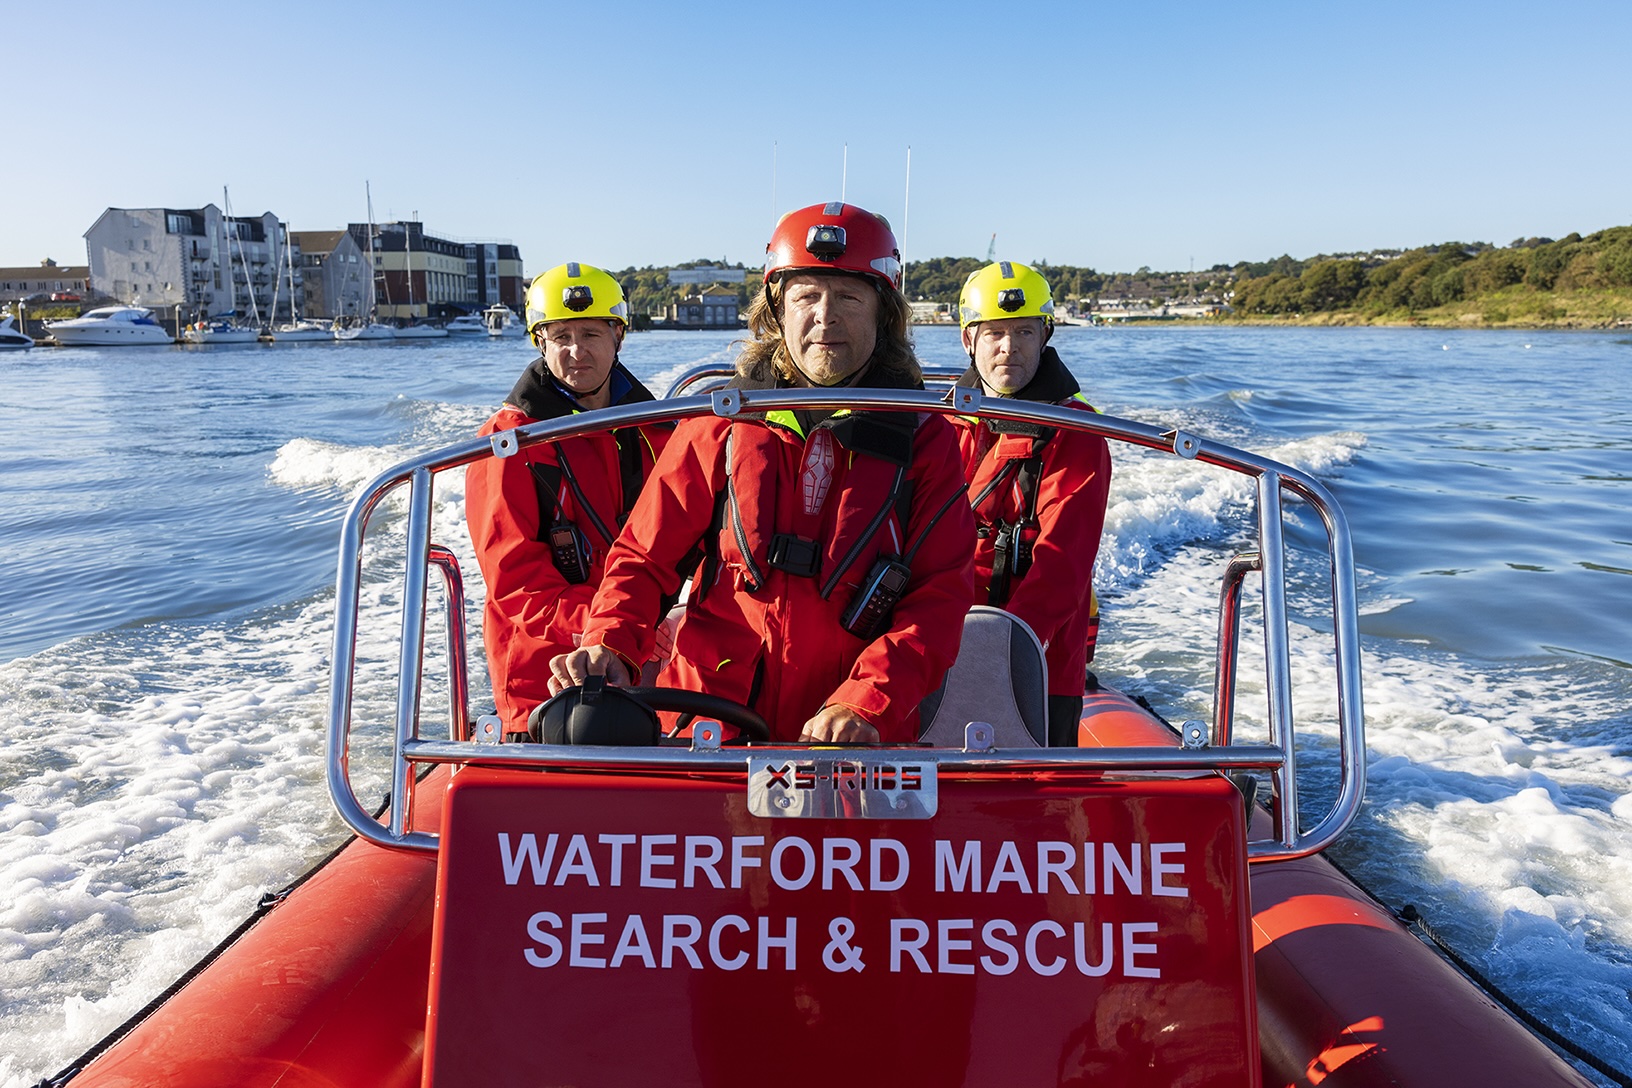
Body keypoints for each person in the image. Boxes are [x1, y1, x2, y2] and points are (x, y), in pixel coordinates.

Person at [549, 202, 976, 743]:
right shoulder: (721, 422)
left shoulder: (926, 440)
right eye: (806, 297)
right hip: (708, 722)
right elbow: (645, 556)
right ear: (777, 312)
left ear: (883, 314)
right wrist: (610, 642)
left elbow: (940, 598)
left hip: (852, 735)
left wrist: (869, 702)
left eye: (848, 296)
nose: (826, 316)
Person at [465, 263, 671, 737]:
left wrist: (671, 619)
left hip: (650, 654)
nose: (576, 352)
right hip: (549, 673)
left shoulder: (660, 429)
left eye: (591, 334)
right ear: (541, 343)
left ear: (619, 336)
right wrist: (616, 628)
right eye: (560, 337)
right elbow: (515, 581)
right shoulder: (508, 442)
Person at [951, 260, 1112, 747]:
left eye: (1024, 332)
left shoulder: (1078, 434)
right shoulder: (941, 421)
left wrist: (1003, 652)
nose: (1009, 348)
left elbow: (1063, 562)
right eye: (994, 333)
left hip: (1034, 656)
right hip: (936, 645)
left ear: (1044, 336)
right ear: (968, 340)